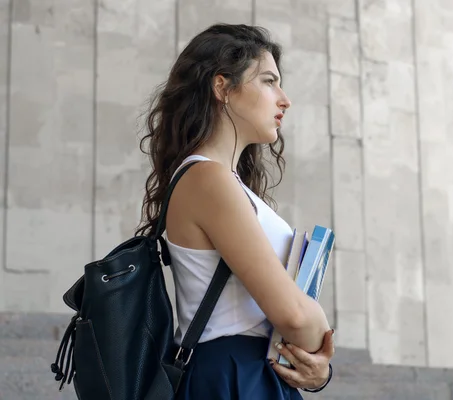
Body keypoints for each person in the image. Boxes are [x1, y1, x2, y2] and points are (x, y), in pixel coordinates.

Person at [135, 23, 335, 399]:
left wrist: (318, 370)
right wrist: (321, 328)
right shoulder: (208, 179)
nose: (284, 99)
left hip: (250, 373)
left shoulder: (222, 181)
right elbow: (292, 316)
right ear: (222, 87)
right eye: (268, 81)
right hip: (232, 374)